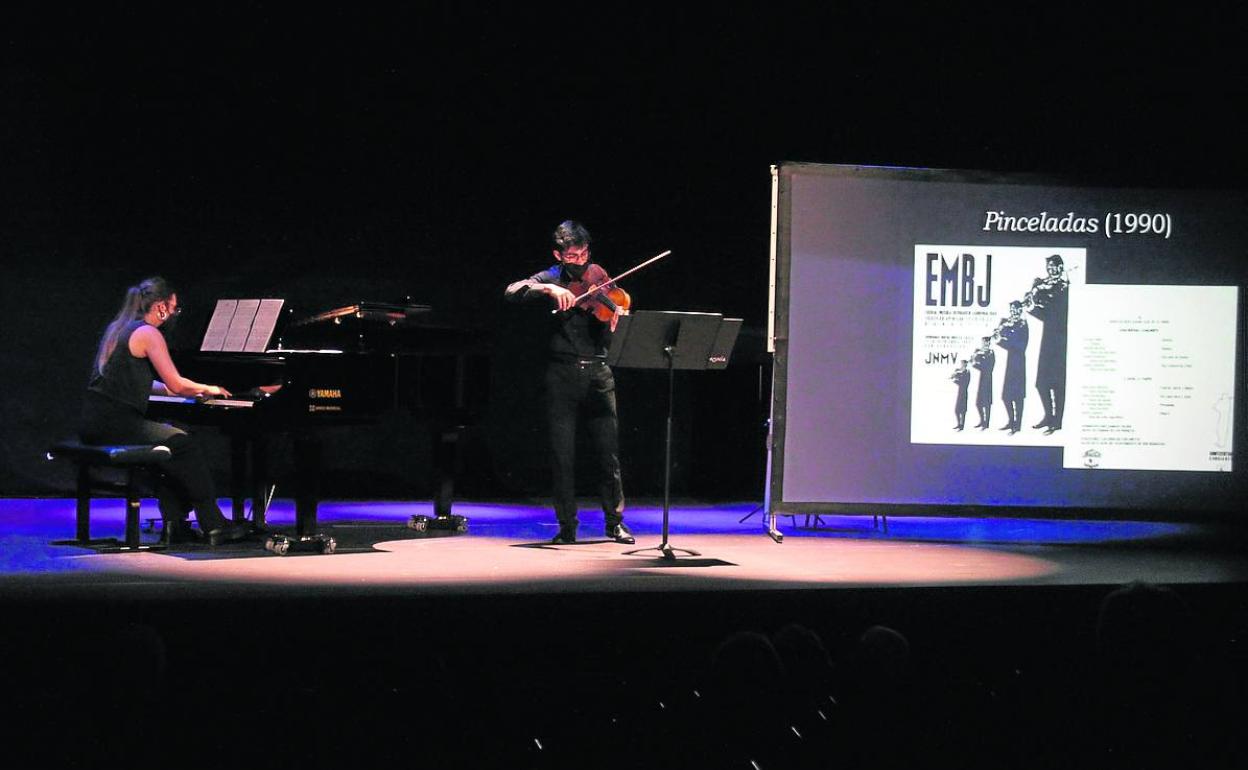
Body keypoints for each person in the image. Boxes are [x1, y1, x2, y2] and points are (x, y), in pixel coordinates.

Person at [79, 277, 250, 545]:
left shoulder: (119, 328)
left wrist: (198, 390)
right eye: (173, 308)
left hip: (95, 422)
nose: (173, 315)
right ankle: (214, 524)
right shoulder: (148, 333)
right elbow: (177, 384)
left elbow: (153, 385)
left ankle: (174, 524)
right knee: (184, 445)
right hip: (119, 423)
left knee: (174, 442)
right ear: (160, 307)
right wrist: (209, 388)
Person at [504, 220, 634, 545]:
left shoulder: (599, 275)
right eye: (573, 256)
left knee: (608, 453)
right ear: (559, 255)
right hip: (561, 374)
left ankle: (615, 523)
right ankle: (567, 526)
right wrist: (549, 288)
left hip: (599, 374)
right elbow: (512, 290)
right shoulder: (550, 277)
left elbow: (616, 304)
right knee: (562, 455)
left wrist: (617, 313)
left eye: (584, 254)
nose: (580, 261)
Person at [1026, 254, 1069, 434]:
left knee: (1057, 382)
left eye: (1053, 266)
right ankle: (1048, 416)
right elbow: (1045, 316)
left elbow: (1054, 312)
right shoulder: (1048, 284)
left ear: (1060, 267)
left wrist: (1039, 294)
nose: (1050, 269)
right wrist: (1031, 304)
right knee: (1041, 382)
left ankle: (1057, 421)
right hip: (1048, 335)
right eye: (1048, 266)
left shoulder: (1063, 286)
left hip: (1060, 337)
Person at [996, 301, 1028, 435]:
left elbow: (1021, 346)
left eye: (1015, 309)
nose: (1013, 312)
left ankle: (1017, 425)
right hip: (1010, 361)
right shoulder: (1008, 323)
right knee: (1006, 396)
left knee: (1018, 396)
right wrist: (1001, 333)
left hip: (1019, 363)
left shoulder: (1022, 324)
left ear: (1020, 310)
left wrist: (1006, 337)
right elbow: (1001, 337)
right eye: (1011, 309)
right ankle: (1011, 421)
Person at [971, 336, 995, 429]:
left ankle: (986, 423)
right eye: (984, 342)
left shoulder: (991, 353)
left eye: (987, 342)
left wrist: (978, 362)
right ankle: (982, 421)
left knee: (987, 402)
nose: (985, 344)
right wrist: (975, 359)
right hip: (982, 378)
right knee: (979, 403)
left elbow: (989, 367)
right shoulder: (980, 352)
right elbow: (976, 364)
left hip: (988, 379)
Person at [950, 359, 970, 431]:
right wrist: (955, 376)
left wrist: (955, 380)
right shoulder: (960, 371)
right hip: (960, 392)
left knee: (963, 410)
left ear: (965, 364)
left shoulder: (967, 372)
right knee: (957, 410)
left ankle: (962, 426)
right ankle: (959, 424)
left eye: (962, 364)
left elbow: (964, 383)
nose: (961, 365)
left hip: (964, 393)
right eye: (961, 364)